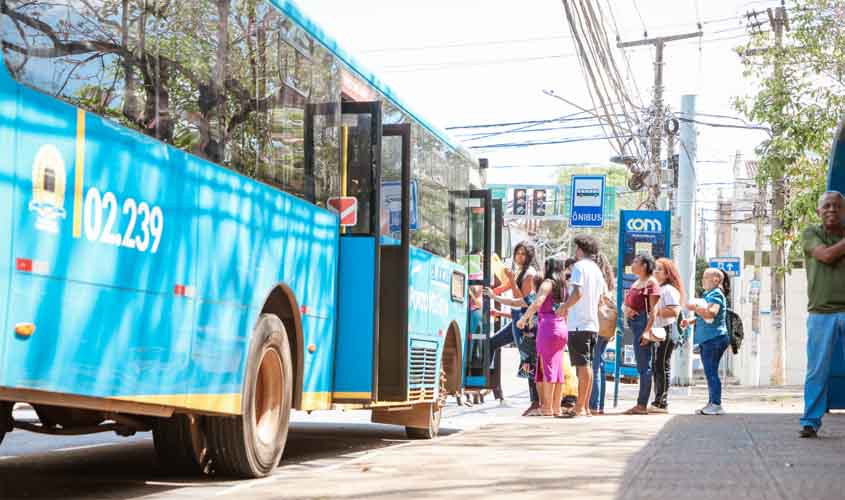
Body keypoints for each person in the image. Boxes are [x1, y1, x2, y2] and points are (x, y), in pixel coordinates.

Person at [798, 191, 845, 437]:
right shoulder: (811, 234)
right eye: (826, 206)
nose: (831, 210)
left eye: (837, 206)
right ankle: (810, 421)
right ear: (818, 211)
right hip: (821, 312)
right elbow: (826, 256)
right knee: (817, 369)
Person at [485, 242, 540, 414]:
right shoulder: (518, 271)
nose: (519, 257)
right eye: (517, 253)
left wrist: (509, 281)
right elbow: (503, 289)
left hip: (525, 322)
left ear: (529, 256)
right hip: (516, 318)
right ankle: (488, 382)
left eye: (523, 254)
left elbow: (521, 300)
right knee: (492, 343)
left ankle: (535, 401)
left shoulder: (529, 274)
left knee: (528, 359)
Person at [557, 235, 607, 417]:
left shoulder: (579, 267)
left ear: (580, 249)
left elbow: (577, 293)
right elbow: (601, 298)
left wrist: (564, 307)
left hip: (579, 323)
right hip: (592, 324)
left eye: (576, 248)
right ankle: (585, 406)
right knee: (588, 366)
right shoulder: (597, 270)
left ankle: (579, 407)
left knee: (582, 365)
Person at [517, 257, 569, 417]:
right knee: (558, 369)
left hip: (548, 327)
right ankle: (556, 407)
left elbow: (537, 303)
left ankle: (547, 408)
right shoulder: (563, 286)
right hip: (561, 327)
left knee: (547, 368)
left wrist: (524, 319)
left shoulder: (547, 283)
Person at [681, 268, 730, 415]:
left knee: (711, 372)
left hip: (714, 339)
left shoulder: (715, 294)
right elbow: (706, 317)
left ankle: (716, 404)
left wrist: (694, 307)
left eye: (705, 277)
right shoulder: (709, 294)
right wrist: (690, 321)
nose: (702, 280)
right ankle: (712, 403)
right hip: (709, 339)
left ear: (716, 280)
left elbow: (711, 313)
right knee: (710, 373)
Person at [622, 253, 660, 415]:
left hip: (643, 325)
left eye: (636, 262)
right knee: (641, 365)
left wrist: (647, 331)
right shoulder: (637, 282)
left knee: (645, 366)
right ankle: (640, 403)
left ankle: (641, 404)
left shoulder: (651, 282)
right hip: (635, 324)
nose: (633, 264)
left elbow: (654, 311)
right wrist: (628, 310)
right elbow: (626, 302)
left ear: (644, 265)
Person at [650, 258, 685, 413]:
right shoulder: (659, 288)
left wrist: (654, 311)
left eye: (659, 269)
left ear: (667, 274)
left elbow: (674, 311)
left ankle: (661, 401)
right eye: (654, 269)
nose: (655, 272)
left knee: (662, 365)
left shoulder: (669, 290)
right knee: (657, 366)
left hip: (666, 330)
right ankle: (657, 399)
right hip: (658, 330)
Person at [590, 252, 616, 415]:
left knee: (594, 365)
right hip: (605, 327)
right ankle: (599, 405)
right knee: (600, 364)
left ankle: (594, 404)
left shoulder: (597, 280)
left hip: (596, 325)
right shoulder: (608, 282)